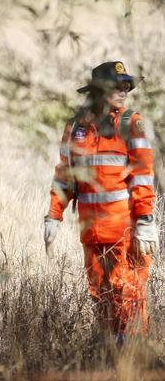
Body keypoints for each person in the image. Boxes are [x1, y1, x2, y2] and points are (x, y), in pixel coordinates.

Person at [44, 61, 158, 342]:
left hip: (126, 230)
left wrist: (145, 220)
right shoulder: (76, 126)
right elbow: (65, 175)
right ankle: (111, 359)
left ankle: (133, 365)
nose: (124, 91)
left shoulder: (131, 123)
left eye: (126, 86)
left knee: (128, 295)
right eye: (116, 87)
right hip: (91, 232)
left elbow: (143, 176)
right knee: (100, 295)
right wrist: (53, 216)